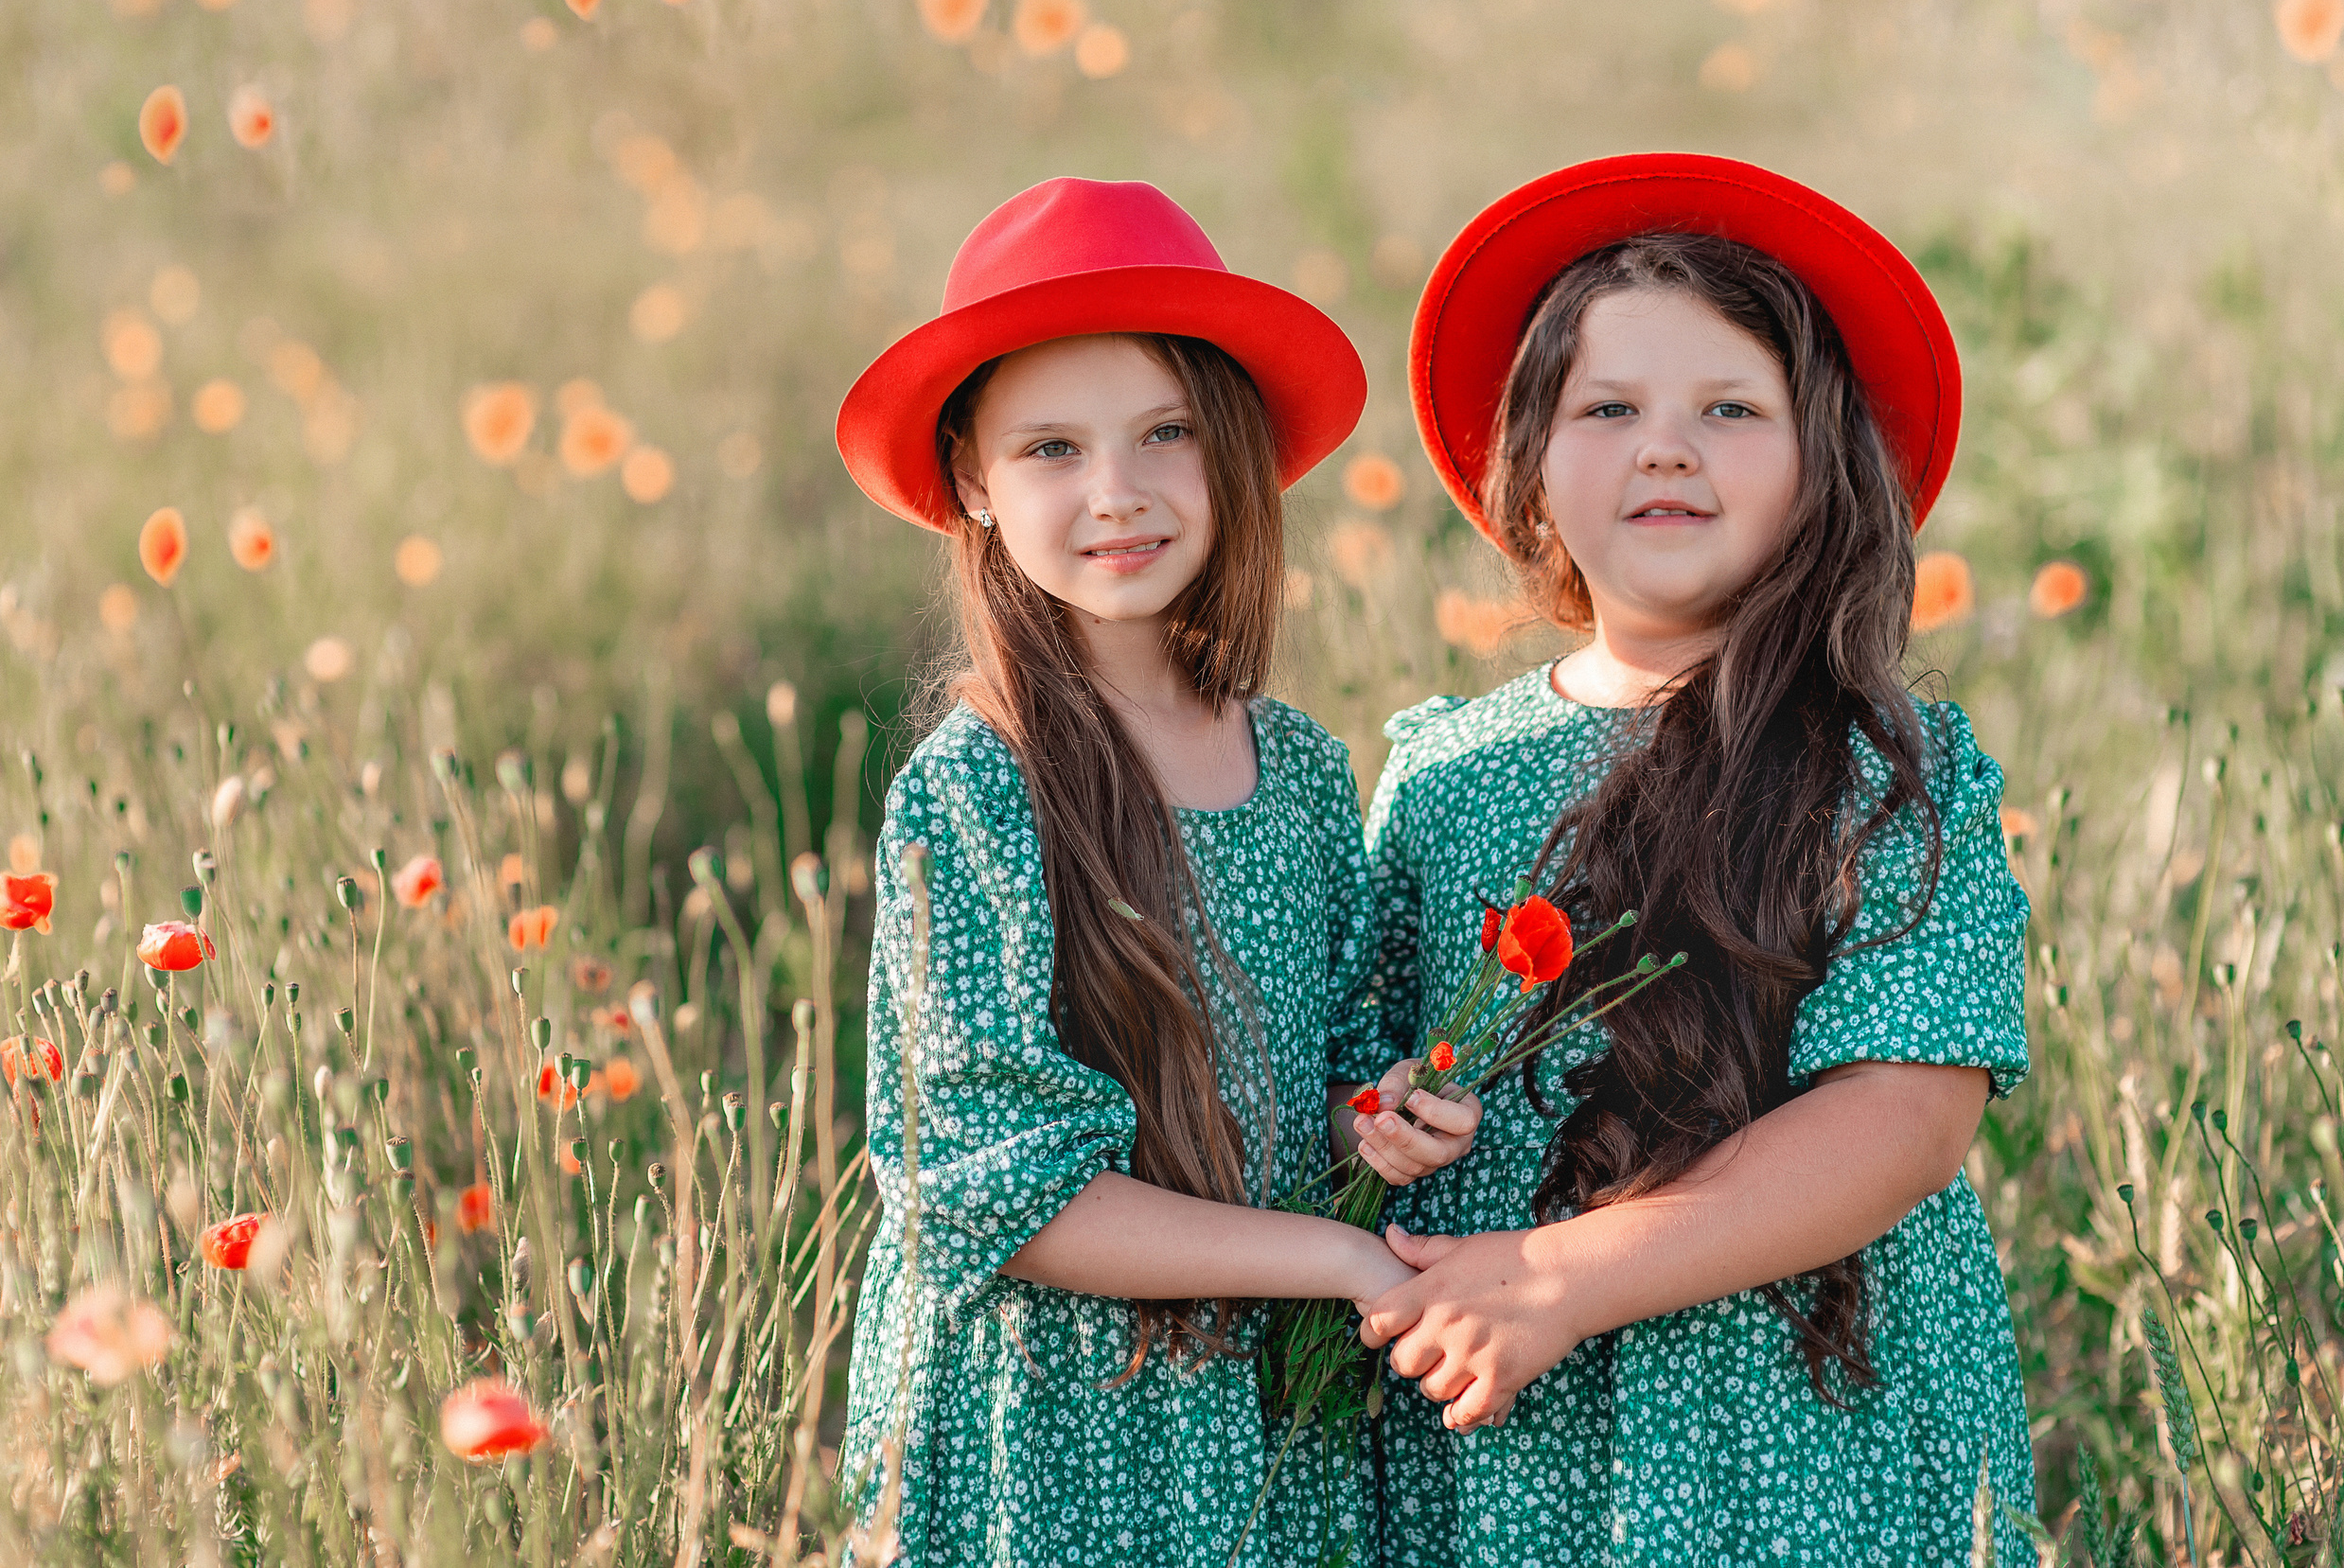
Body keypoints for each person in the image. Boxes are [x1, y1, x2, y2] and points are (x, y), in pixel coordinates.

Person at [1351, 153, 2034, 1564]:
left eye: (1730, 409)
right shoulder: (1440, 772)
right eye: (1608, 410)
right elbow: (1369, 1058)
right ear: (1532, 471)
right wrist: (1394, 1112)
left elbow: (1905, 1119)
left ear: (1821, 469)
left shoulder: (1879, 768)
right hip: (1518, 1440)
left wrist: (1562, 1277)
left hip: (1800, 1438)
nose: (1666, 449)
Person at [835, 177, 1481, 1568]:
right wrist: (1335, 1258)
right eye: (1051, 448)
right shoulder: (980, 787)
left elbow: (1319, 1068)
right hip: (1053, 1423)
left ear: (1230, 450)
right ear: (971, 481)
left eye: (1165, 433)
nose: (1115, 493)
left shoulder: (1299, 769)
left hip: (1250, 1420)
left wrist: (1377, 1120)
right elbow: (998, 1190)